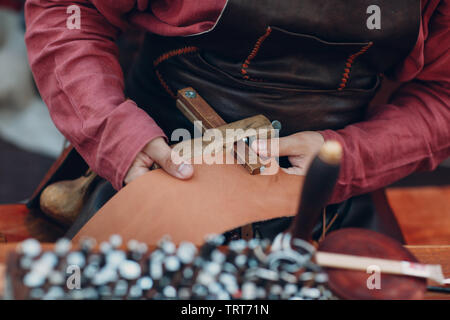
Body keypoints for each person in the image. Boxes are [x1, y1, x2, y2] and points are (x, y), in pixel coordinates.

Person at [24, 0, 450, 238]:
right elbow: (70, 8)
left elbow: (444, 93)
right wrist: (112, 132)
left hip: (328, 205)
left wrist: (353, 158)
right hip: (151, 179)